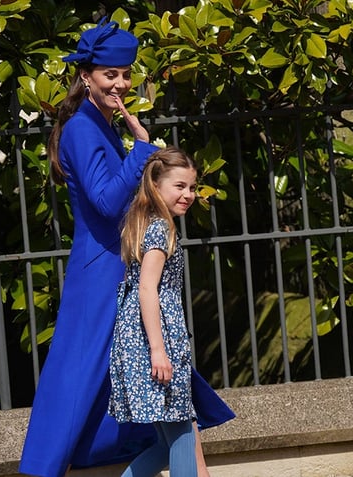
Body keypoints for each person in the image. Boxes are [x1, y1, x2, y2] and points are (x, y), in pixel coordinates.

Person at [18, 18, 234, 477]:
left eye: (125, 73)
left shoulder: (100, 124)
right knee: (77, 380)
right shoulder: (82, 128)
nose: (120, 83)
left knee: (159, 392)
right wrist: (141, 148)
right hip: (99, 272)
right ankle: (43, 468)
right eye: (109, 74)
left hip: (115, 266)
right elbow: (103, 200)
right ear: (86, 77)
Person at [109, 147, 203, 476]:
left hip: (139, 338)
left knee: (168, 440)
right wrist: (158, 350)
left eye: (192, 187)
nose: (188, 194)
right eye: (179, 186)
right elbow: (148, 288)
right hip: (154, 340)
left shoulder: (146, 222)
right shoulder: (161, 228)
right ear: (157, 184)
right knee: (181, 436)